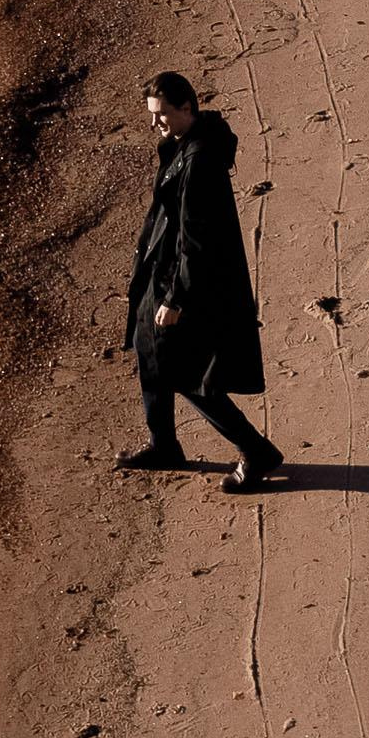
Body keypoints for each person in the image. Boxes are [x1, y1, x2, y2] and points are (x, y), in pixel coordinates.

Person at [119, 72, 285, 493]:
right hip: (162, 271)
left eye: (162, 115)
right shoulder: (180, 147)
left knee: (189, 373)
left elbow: (196, 239)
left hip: (190, 282)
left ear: (187, 107)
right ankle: (164, 445)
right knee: (148, 351)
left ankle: (256, 450)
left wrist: (175, 298)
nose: (156, 124)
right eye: (152, 116)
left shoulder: (200, 159)